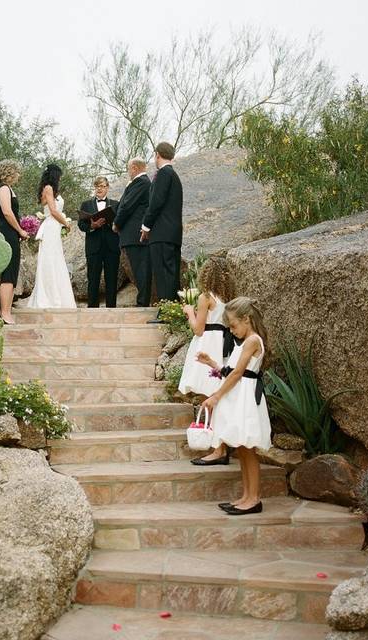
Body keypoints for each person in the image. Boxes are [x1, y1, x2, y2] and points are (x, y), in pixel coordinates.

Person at [198, 297, 272, 515]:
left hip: (246, 400)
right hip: (239, 397)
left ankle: (254, 499)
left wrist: (216, 396)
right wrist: (211, 363)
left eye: (233, 325)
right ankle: (246, 496)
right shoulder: (244, 343)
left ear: (247, 319)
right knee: (241, 448)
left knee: (248, 449)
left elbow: (239, 373)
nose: (231, 330)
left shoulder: (252, 341)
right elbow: (231, 371)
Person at [178, 257, 237, 466]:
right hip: (222, 345)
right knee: (215, 395)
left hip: (207, 345)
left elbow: (198, 328)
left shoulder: (206, 297)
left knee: (209, 395)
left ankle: (217, 450)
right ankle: (219, 447)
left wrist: (189, 312)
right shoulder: (227, 298)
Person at [141, 142, 183, 321]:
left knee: (163, 274)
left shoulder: (164, 174)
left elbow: (156, 203)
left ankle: (166, 314)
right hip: (172, 233)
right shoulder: (174, 175)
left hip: (161, 233)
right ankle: (171, 312)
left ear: (157, 155)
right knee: (170, 273)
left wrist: (145, 226)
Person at [27, 163, 76, 309]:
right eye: (59, 176)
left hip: (54, 227)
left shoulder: (51, 190)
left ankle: (58, 295)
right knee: (50, 259)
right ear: (55, 175)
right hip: (51, 226)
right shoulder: (48, 188)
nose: (60, 178)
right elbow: (53, 211)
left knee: (56, 259)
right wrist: (66, 223)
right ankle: (49, 297)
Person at [113, 158, 152, 307]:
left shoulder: (141, 182)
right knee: (139, 269)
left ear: (134, 168)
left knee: (141, 269)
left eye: (128, 168)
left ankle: (143, 302)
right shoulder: (138, 183)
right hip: (133, 236)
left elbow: (127, 206)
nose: (128, 172)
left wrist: (117, 223)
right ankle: (142, 300)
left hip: (136, 235)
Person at [0, 159, 29, 324]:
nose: (18, 175)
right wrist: (20, 230)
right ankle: (5, 312)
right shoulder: (3, 189)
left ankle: (5, 310)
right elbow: (8, 213)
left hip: (12, 234)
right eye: (16, 172)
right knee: (8, 273)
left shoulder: (9, 189)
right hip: (7, 233)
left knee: (13, 273)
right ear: (9, 172)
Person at [79, 176, 120, 307]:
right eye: (97, 186)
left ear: (107, 188)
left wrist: (112, 223)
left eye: (102, 186)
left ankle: (111, 309)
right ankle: (92, 309)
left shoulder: (115, 204)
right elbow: (81, 225)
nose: (99, 189)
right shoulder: (86, 204)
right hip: (93, 247)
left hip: (112, 247)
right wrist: (92, 226)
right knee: (93, 279)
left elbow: (120, 224)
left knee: (112, 279)